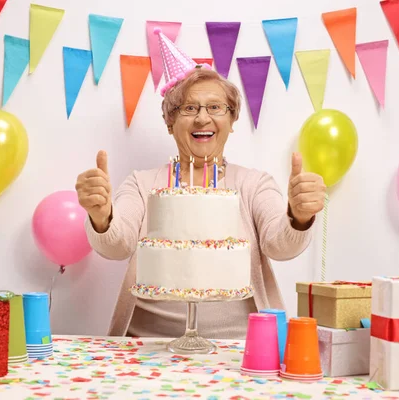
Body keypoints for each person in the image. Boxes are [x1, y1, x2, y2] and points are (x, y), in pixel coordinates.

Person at [75, 29, 326, 339]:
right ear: (169, 122)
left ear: (232, 121)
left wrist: (299, 216)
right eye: (189, 108)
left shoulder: (254, 184)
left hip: (240, 346)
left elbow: (280, 244)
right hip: (146, 344)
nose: (202, 119)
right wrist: (101, 215)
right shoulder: (142, 184)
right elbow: (118, 245)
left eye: (216, 108)